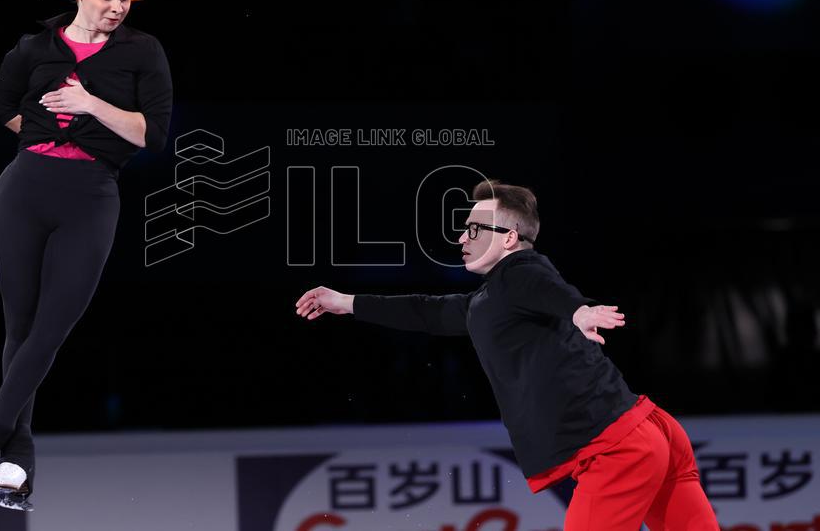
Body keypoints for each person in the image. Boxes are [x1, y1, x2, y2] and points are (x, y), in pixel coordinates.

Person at [0, 0, 197, 512]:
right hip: (24, 188)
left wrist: (90, 108)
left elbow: (151, 135)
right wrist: (42, 136)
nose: (117, 7)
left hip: (91, 195)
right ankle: (18, 467)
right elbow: (2, 107)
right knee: (20, 326)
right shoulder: (34, 48)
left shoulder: (143, 52)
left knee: (53, 326)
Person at [295, 179, 719, 530]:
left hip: (618, 449)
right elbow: (427, 310)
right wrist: (347, 302)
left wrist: (579, 311)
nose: (462, 238)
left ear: (510, 238)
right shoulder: (490, 300)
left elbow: (545, 287)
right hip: (651, 431)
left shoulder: (519, 273)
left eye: (474, 229)